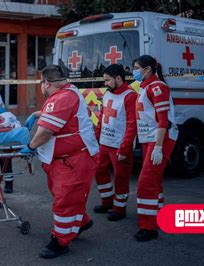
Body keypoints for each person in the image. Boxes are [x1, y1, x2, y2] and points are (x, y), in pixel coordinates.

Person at [20, 65, 99, 259]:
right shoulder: (67, 93)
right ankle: (81, 222)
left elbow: (46, 131)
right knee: (66, 196)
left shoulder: (62, 98)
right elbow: (61, 115)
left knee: (64, 200)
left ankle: (60, 241)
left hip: (73, 160)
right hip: (64, 159)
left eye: (41, 83)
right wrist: (37, 114)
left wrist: (31, 147)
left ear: (46, 83)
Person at [132, 55, 178, 241]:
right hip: (149, 139)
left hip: (160, 139)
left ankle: (148, 228)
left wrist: (158, 147)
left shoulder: (157, 87)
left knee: (145, 183)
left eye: (136, 68)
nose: (134, 71)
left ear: (148, 69)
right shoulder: (145, 87)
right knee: (154, 180)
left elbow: (164, 121)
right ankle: (156, 214)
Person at [93, 64, 137, 221]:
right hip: (104, 143)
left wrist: (125, 149)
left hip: (119, 145)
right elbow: (102, 117)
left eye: (107, 80)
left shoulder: (130, 96)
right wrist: (96, 138)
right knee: (99, 171)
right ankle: (107, 201)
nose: (105, 84)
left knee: (121, 177)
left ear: (118, 78)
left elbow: (132, 125)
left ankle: (120, 208)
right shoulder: (108, 93)